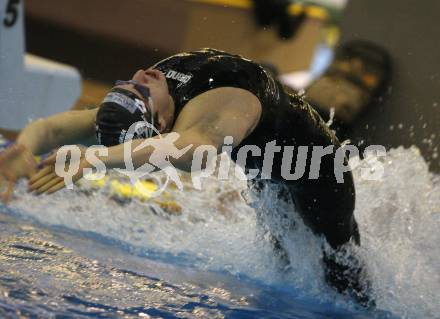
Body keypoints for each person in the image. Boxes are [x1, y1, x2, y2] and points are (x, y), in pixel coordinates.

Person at [0, 48, 372, 306]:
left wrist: (35, 147)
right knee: (285, 267)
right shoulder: (190, 115)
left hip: (319, 168)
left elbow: (196, 151)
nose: (143, 75)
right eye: (140, 91)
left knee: (339, 268)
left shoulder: (208, 102)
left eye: (129, 85)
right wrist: (37, 153)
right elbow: (189, 152)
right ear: (162, 124)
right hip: (269, 170)